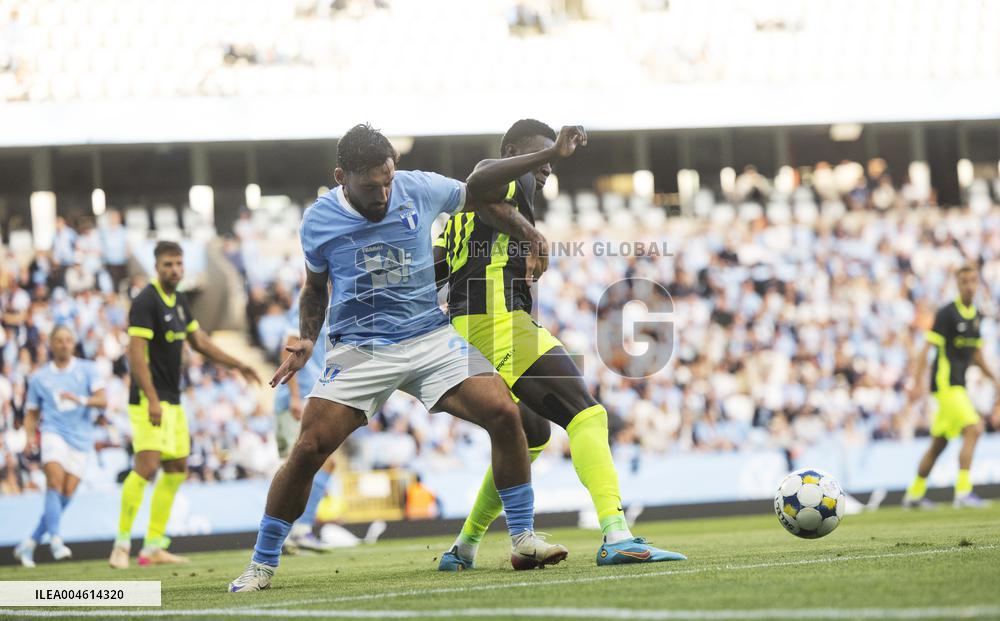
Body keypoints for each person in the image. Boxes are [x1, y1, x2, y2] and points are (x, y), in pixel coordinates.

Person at [228, 123, 565, 593]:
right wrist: (307, 338)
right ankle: (262, 564)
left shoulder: (419, 188)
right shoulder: (318, 221)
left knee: (505, 415)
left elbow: (483, 193)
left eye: (388, 180)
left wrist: (531, 233)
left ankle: (523, 538)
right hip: (360, 349)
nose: (384, 194)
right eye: (371, 186)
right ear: (341, 177)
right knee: (308, 449)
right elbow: (315, 287)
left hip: (429, 335)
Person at [433, 119, 686, 569]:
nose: (548, 167)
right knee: (587, 414)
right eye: (539, 155)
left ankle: (464, 548)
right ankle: (616, 534)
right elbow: (482, 175)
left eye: (549, 159)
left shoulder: (460, 218)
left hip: (468, 333)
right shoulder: (507, 181)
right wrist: (550, 155)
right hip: (498, 324)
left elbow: (435, 274)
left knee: (530, 435)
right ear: (514, 152)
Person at [109, 241, 262, 569]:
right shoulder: (146, 301)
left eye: (178, 264)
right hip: (148, 398)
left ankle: (153, 546)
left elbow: (200, 341)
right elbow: (136, 353)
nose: (174, 270)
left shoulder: (178, 300)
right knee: (146, 466)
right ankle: (121, 544)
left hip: (173, 399)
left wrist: (239, 364)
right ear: (156, 267)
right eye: (168, 264)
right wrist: (151, 398)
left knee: (177, 468)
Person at [903, 264, 997, 509]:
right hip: (946, 383)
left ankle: (914, 494)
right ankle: (963, 492)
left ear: (978, 283)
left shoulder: (976, 315)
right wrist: (916, 382)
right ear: (958, 284)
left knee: (939, 443)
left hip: (959, 384)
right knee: (974, 428)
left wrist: (995, 379)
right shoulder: (947, 313)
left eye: (973, 281)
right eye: (964, 282)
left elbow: (976, 355)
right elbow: (926, 348)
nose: (969, 286)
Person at [13, 325, 106, 567]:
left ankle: (30, 542)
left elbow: (103, 400)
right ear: (51, 344)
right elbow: (32, 412)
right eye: (59, 340)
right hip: (53, 433)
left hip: (81, 438)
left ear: (73, 344)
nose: (64, 344)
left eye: (68, 340)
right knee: (54, 482)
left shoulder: (87, 369)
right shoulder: (39, 377)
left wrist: (80, 399)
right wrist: (28, 437)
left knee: (66, 493)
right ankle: (55, 540)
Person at [274, 301, 337, 553]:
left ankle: (299, 530)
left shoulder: (336, 305)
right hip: (297, 399)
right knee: (295, 466)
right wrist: (293, 396)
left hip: (315, 396)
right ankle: (283, 533)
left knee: (326, 463)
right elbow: (288, 348)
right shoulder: (307, 304)